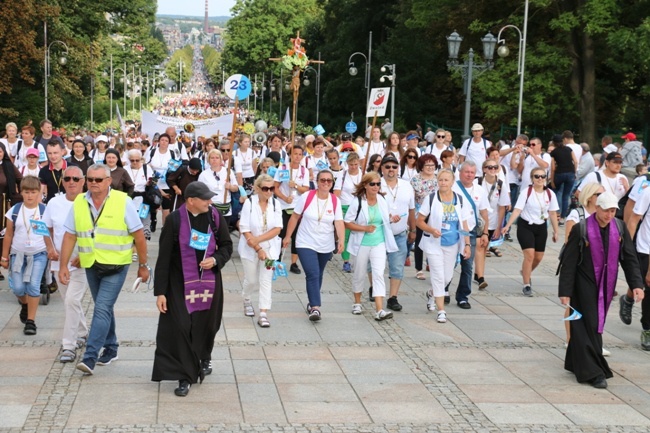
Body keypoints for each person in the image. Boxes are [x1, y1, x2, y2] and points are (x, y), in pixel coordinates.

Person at [58, 163, 149, 375]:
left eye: (98, 180)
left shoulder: (122, 201)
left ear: (109, 181)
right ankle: (111, 347)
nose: (93, 184)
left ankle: (90, 357)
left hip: (117, 265)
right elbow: (70, 235)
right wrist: (63, 265)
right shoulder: (80, 202)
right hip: (91, 264)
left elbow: (138, 235)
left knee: (101, 308)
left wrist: (143, 266)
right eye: (90, 180)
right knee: (104, 308)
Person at [152, 182, 232, 397]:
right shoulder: (175, 221)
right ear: (191, 201)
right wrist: (160, 291)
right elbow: (164, 258)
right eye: (205, 198)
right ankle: (185, 375)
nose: (210, 201)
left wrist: (215, 260)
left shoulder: (214, 216)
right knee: (182, 327)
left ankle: (204, 356)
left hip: (210, 281)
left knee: (206, 325)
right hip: (179, 283)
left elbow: (227, 246)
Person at [559, 192, 643, 388]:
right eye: (606, 210)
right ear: (597, 208)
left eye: (613, 211)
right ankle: (594, 371)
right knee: (590, 323)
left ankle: (574, 361)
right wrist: (565, 291)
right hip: (583, 284)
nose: (609, 215)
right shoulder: (581, 229)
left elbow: (629, 259)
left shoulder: (619, 228)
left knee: (586, 324)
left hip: (606, 284)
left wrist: (637, 285)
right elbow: (569, 262)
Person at [283, 170, 345, 321]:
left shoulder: (335, 201)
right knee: (312, 273)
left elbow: (339, 222)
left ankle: (311, 302)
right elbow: (295, 216)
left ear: (332, 183)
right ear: (317, 182)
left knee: (319, 273)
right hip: (305, 241)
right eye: (322, 180)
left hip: (326, 243)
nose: (325, 183)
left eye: (329, 181)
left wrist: (342, 240)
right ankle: (315, 307)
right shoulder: (307, 196)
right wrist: (288, 236)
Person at [43, 166, 88, 362]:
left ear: (83, 181)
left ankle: (68, 346)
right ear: (62, 181)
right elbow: (46, 229)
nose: (71, 182)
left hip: (82, 263)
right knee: (69, 301)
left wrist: (85, 255)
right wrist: (50, 249)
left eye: (76, 179)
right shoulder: (54, 202)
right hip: (59, 263)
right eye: (67, 178)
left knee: (72, 300)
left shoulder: (89, 203)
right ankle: (84, 332)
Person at [1, 176, 56, 335]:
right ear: (21, 192)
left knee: (33, 285)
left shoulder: (43, 210)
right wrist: (4, 257)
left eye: (33, 192)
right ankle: (25, 304)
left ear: (39, 192)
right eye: (26, 192)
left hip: (39, 253)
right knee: (18, 288)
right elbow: (9, 235)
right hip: (18, 254)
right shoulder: (15, 210)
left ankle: (31, 321)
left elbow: (48, 233)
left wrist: (51, 250)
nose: (30, 196)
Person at [417, 169, 472, 322]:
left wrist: (467, 244)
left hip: (452, 244)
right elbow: (419, 221)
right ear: (437, 181)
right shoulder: (431, 198)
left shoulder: (460, 199)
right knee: (438, 276)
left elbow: (465, 224)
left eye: (446, 180)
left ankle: (431, 293)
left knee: (447, 277)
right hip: (434, 244)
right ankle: (441, 310)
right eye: (441, 180)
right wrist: (431, 230)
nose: (443, 183)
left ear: (452, 182)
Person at [344, 171, 398, 320]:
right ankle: (357, 302)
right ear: (365, 185)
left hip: (379, 242)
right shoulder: (358, 201)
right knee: (359, 272)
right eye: (372, 184)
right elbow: (347, 223)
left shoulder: (381, 199)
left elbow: (385, 217)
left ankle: (379, 309)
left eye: (378, 184)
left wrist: (393, 219)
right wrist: (364, 228)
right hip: (361, 243)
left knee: (379, 273)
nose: (375, 187)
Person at [503, 167, 560, 297]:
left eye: (542, 176)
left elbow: (552, 212)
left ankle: (525, 272)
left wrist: (556, 231)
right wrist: (507, 225)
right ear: (532, 178)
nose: (540, 179)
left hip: (541, 227)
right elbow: (517, 210)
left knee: (538, 257)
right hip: (526, 226)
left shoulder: (550, 194)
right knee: (529, 255)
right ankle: (526, 284)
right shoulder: (526, 192)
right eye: (536, 176)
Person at [238, 174, 283, 327]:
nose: (269, 192)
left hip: (270, 248)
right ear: (258, 188)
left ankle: (263, 312)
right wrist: (257, 247)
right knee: (251, 280)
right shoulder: (249, 204)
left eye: (272, 188)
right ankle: (246, 298)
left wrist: (258, 240)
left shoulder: (276, 205)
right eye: (266, 188)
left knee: (266, 280)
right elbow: (244, 228)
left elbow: (277, 228)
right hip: (250, 248)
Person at [379, 155, 416, 311]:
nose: (391, 170)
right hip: (380, 232)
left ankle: (393, 297)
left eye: (394, 167)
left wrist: (413, 229)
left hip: (400, 233)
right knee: (375, 265)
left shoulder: (406, 185)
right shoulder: (376, 183)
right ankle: (375, 289)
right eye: (387, 167)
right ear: (382, 169)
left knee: (397, 267)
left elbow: (411, 209)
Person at [452, 162, 490, 308]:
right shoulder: (452, 187)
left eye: (472, 172)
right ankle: (443, 291)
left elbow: (484, 212)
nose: (469, 175)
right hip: (454, 229)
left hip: (472, 231)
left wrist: (485, 232)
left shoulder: (479, 190)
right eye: (466, 172)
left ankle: (463, 296)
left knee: (467, 265)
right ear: (460, 173)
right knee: (450, 263)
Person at [274, 144, 310, 274]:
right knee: (281, 233)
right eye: (295, 154)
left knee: (296, 235)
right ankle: (277, 259)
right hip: (284, 206)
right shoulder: (283, 168)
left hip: (297, 206)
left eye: (300, 154)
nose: (297, 157)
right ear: (290, 154)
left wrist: (295, 186)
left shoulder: (304, 170)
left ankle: (294, 263)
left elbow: (306, 189)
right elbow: (275, 187)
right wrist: (284, 198)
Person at [474, 159, 510, 289]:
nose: (492, 170)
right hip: (477, 221)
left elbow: (502, 207)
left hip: (492, 221)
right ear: (484, 169)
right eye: (489, 167)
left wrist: (499, 227)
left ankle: (477, 272)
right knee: (479, 246)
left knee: (484, 248)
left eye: (495, 167)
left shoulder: (501, 185)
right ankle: (481, 278)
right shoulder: (477, 183)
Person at [410, 154, 438, 280]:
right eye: (427, 165)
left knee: (435, 241)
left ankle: (433, 265)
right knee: (420, 241)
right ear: (421, 166)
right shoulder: (415, 180)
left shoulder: (439, 179)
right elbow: (411, 199)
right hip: (420, 213)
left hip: (436, 214)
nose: (430, 167)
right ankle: (418, 269)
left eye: (432, 165)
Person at [333, 152, 362, 273]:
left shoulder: (363, 174)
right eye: (351, 165)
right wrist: (337, 207)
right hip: (345, 206)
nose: (353, 167)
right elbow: (337, 191)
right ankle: (346, 261)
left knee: (358, 234)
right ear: (347, 164)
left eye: (355, 164)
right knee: (345, 234)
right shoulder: (343, 175)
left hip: (359, 207)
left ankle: (359, 258)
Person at [197, 149, 238, 221]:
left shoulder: (228, 171)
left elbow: (236, 188)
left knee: (224, 231)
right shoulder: (203, 175)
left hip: (225, 209)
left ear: (221, 159)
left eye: (217, 158)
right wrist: (208, 201)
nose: (214, 160)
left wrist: (230, 187)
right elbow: (199, 192)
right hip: (210, 207)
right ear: (208, 160)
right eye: (212, 158)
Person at [550, 134, 579, 224]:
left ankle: (556, 213)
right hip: (570, 174)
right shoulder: (569, 149)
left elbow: (553, 168)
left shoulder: (554, 152)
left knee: (556, 192)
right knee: (566, 196)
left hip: (560, 174)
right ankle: (563, 217)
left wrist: (552, 181)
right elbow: (576, 161)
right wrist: (574, 172)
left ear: (554, 143)